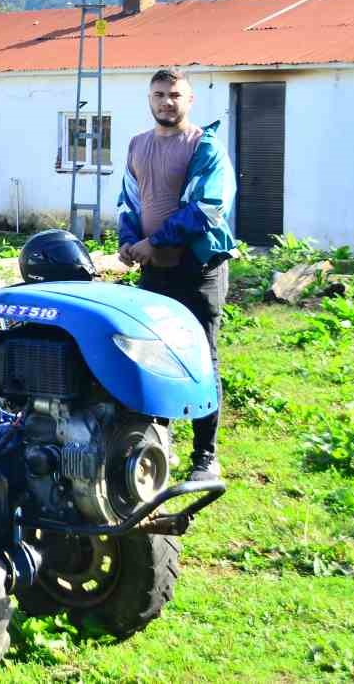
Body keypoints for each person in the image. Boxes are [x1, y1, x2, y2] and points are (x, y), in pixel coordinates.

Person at [117, 67, 237, 482]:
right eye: (159, 95)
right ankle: (156, 446)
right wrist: (129, 241)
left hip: (199, 269)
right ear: (149, 99)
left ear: (190, 100)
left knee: (202, 356)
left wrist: (156, 241)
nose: (167, 102)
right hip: (156, 271)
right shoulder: (137, 145)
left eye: (175, 95)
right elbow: (129, 201)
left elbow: (208, 207)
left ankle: (206, 456)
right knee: (151, 354)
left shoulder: (205, 146)